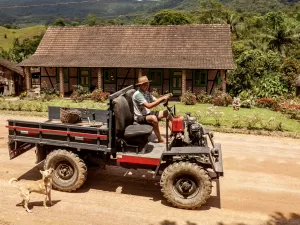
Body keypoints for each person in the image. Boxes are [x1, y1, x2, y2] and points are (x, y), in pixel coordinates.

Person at [132, 76, 172, 143]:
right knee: (153, 118)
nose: (147, 86)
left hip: (147, 114)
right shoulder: (138, 95)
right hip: (139, 117)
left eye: (147, 84)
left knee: (167, 113)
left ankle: (174, 133)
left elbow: (156, 100)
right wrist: (162, 99)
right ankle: (160, 139)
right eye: (145, 84)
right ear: (140, 85)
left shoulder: (146, 93)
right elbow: (149, 106)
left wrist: (165, 97)